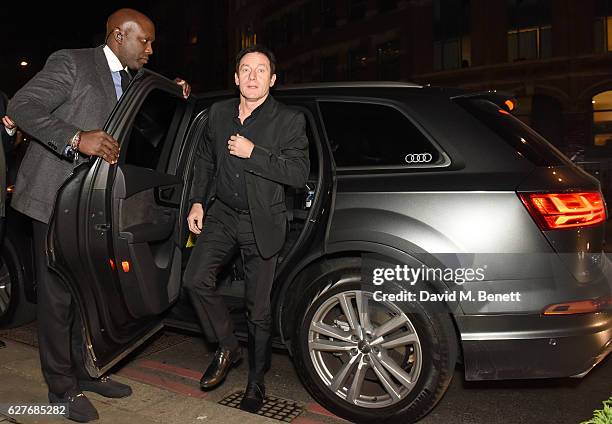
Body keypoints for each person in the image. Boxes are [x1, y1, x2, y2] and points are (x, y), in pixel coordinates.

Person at [6, 8, 190, 422]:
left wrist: (169, 93)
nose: (150, 48)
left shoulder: (131, 80)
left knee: (86, 293)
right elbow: (23, 106)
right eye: (144, 40)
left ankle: (85, 372)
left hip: (92, 205)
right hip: (52, 198)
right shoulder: (72, 63)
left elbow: (142, 131)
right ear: (116, 36)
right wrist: (75, 138)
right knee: (57, 297)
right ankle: (62, 389)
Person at [184, 44, 309, 413]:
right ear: (236, 77)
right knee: (194, 279)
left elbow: (299, 174)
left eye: (260, 70)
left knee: (258, 311)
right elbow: (206, 160)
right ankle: (227, 346)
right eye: (245, 69)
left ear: (272, 79)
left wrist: (253, 152)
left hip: (262, 221)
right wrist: (196, 201)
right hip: (222, 213)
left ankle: (256, 380)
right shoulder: (219, 113)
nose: (252, 76)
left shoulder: (288, 120)